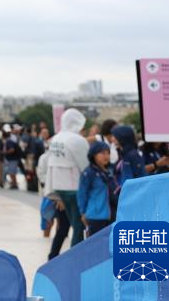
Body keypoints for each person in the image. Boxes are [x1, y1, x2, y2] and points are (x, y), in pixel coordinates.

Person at [43, 108, 89, 253]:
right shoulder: (77, 140)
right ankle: (76, 256)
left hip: (58, 186)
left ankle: (70, 255)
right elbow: (85, 165)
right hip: (74, 186)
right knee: (78, 226)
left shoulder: (56, 138)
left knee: (72, 223)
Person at [77, 140, 117, 237]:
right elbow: (82, 193)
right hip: (95, 216)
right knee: (96, 244)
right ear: (94, 155)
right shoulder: (88, 172)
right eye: (102, 153)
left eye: (108, 153)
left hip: (112, 215)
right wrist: (83, 213)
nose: (106, 156)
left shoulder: (109, 171)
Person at [113, 124, 146, 191]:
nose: (112, 139)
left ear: (123, 137)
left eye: (115, 136)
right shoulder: (123, 153)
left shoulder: (132, 155)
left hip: (131, 192)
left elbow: (139, 176)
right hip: (124, 191)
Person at [3, 124, 21, 190]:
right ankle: (14, 184)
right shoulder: (11, 140)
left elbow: (12, 149)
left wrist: (5, 152)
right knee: (12, 172)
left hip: (13, 159)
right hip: (13, 159)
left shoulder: (9, 141)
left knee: (12, 172)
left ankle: (14, 184)